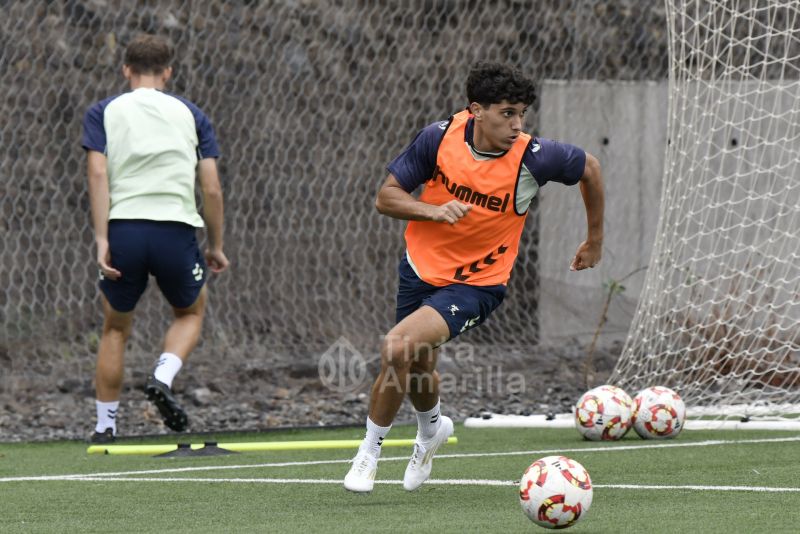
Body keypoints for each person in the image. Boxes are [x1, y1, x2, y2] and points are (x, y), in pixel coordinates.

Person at [344, 61, 605, 492]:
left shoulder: (533, 157)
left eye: (522, 113)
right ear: (476, 110)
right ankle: (431, 432)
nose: (517, 124)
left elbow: (590, 169)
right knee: (416, 366)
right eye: (507, 113)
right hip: (419, 268)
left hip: (477, 283)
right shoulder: (439, 137)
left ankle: (368, 454)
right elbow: (385, 197)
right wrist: (433, 210)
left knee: (396, 346)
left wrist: (594, 240)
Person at [81, 34, 229, 443]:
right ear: (168, 72)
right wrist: (215, 245)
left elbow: (97, 174)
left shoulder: (103, 111)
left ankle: (105, 427)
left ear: (126, 69)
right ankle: (162, 375)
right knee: (190, 312)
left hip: (124, 229)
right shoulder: (191, 113)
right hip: (175, 230)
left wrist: (101, 238)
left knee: (115, 329)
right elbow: (212, 188)